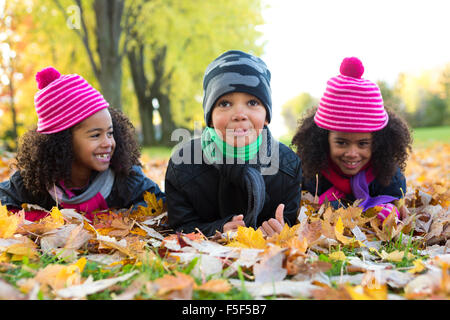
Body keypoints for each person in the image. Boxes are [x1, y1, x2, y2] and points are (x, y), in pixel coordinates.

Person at [165, 50, 302, 237]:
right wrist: (217, 230)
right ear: (210, 118)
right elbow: (181, 224)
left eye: (252, 102)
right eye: (225, 104)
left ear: (267, 116)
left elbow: (288, 219)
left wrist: (279, 229)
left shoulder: (288, 166)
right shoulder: (183, 165)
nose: (239, 114)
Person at [0, 67, 165, 222]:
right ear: (62, 141)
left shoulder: (125, 178)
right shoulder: (35, 182)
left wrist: (112, 219)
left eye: (110, 133)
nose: (108, 143)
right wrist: (45, 221)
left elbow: (158, 203)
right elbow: (4, 201)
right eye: (95, 135)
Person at [291, 57, 412, 221]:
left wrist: (392, 209)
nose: (352, 153)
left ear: (378, 143)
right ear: (323, 140)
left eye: (363, 143)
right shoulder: (313, 175)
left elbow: (394, 198)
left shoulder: (388, 175)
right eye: (341, 143)